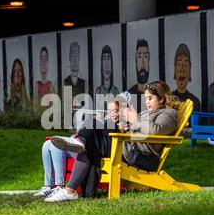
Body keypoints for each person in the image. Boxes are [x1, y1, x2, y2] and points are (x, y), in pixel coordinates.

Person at [45, 80, 178, 202]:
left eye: (150, 98)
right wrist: (125, 127)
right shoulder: (146, 113)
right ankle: (75, 188)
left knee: (93, 125)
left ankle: (78, 146)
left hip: (139, 156)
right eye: (146, 99)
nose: (147, 102)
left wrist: (134, 120)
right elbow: (139, 128)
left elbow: (155, 130)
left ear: (161, 98)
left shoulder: (168, 113)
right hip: (127, 146)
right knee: (91, 142)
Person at [34, 98, 122, 198]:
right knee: (49, 144)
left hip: (111, 150)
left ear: (121, 110)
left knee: (91, 122)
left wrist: (120, 126)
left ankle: (80, 141)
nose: (113, 114)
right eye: (109, 111)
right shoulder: (107, 123)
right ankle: (50, 186)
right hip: (99, 146)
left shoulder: (121, 124)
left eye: (115, 111)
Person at [171, 44, 201, 113]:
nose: (182, 70)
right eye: (179, 65)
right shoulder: (169, 100)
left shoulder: (195, 101)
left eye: (185, 65)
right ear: (175, 70)